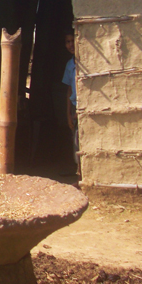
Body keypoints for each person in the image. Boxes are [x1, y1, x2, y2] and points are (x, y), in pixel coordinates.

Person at [61, 29, 79, 175]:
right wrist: (68, 114)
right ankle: (79, 174)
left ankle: (83, 176)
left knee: (81, 142)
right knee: (76, 143)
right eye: (67, 42)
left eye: (73, 40)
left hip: (83, 109)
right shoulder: (69, 65)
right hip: (74, 108)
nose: (70, 45)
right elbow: (69, 91)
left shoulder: (84, 63)